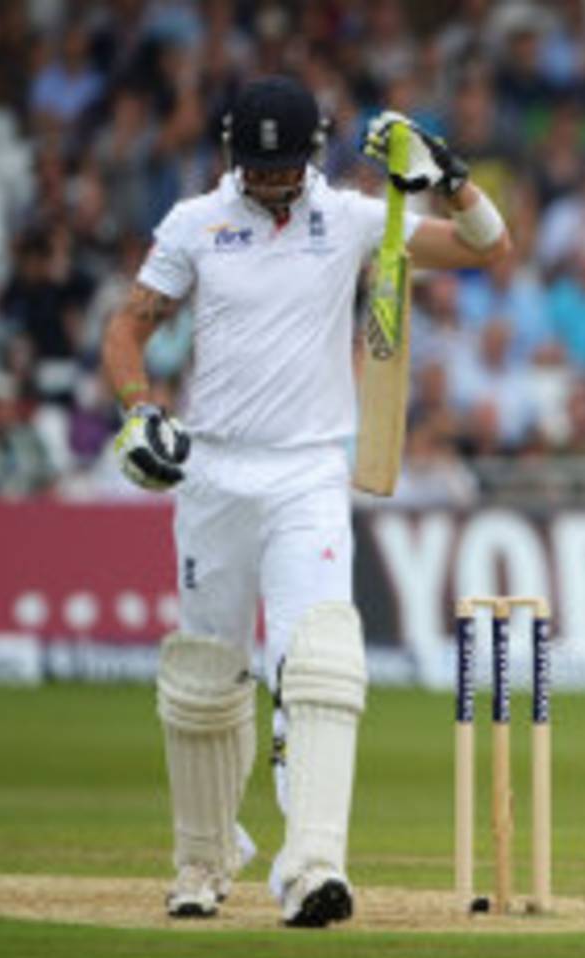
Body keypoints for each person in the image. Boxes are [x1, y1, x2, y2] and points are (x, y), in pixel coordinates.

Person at [100, 76, 510, 925]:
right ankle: (202, 865)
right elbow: (128, 327)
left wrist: (450, 175)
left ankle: (315, 866)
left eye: (285, 167)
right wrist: (139, 409)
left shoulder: (358, 219)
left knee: (320, 662)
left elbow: (486, 249)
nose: (272, 182)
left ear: (312, 156)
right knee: (205, 676)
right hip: (212, 471)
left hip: (310, 473)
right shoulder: (196, 223)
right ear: (231, 155)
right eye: (258, 167)